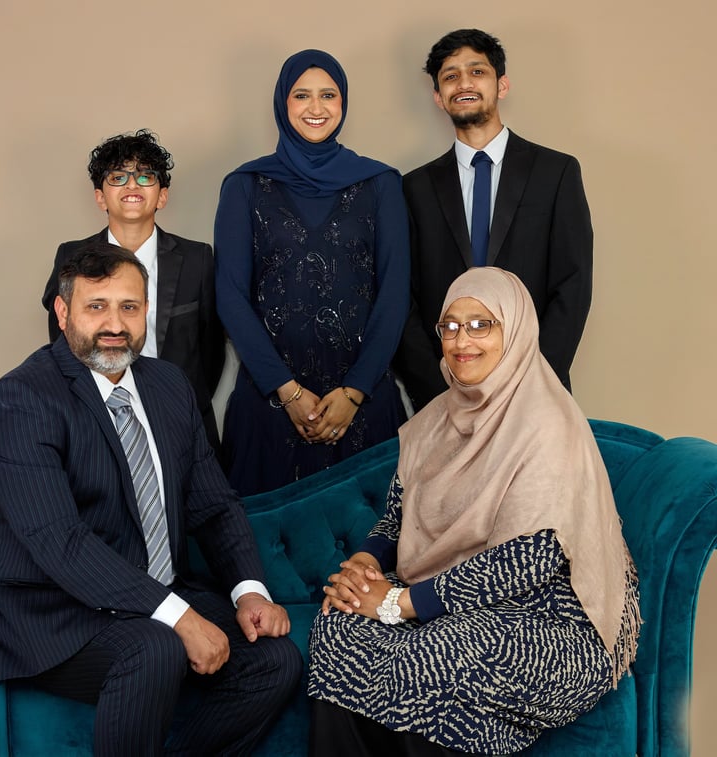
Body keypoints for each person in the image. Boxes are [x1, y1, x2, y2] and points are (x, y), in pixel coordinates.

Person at [0, 244, 302, 756]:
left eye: (129, 307)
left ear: (146, 311)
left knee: (276, 660)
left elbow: (214, 505)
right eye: (96, 306)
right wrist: (176, 616)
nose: (115, 323)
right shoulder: (22, 399)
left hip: (153, 595)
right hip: (58, 613)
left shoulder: (168, 385)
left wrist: (249, 592)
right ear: (63, 313)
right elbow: (58, 541)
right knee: (155, 650)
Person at [307, 267, 640, 755]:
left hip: (554, 618)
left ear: (516, 331)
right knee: (337, 625)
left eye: (482, 324)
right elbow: (399, 516)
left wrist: (395, 603)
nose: (462, 340)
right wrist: (366, 563)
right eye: (451, 325)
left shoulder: (547, 425)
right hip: (450, 597)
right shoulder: (437, 421)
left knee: (443, 648)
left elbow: (526, 562)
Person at [214, 49, 410, 496]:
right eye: (302, 95)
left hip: (364, 404)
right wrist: (288, 392)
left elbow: (395, 293)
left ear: (343, 104)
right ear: (283, 103)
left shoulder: (381, 183)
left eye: (329, 95)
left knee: (372, 556)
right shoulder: (244, 185)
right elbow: (230, 295)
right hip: (269, 404)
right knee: (262, 553)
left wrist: (355, 391)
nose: (316, 108)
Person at [396, 29, 593, 411]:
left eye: (477, 71)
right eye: (450, 76)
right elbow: (403, 298)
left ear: (501, 85)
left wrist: (535, 378)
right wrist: (438, 392)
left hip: (537, 394)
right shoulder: (413, 189)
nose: (464, 83)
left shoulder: (556, 172)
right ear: (438, 97)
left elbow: (573, 284)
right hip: (445, 397)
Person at [42, 129, 224, 453]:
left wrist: (179, 395)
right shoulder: (70, 256)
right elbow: (63, 344)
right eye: (118, 177)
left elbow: (211, 353)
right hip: (96, 421)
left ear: (162, 196)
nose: (131, 185)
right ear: (100, 197)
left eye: (144, 177)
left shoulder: (198, 259)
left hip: (182, 422)